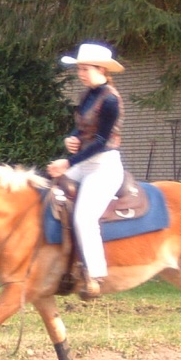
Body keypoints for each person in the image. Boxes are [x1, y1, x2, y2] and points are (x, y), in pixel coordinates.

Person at [46, 42, 126, 299]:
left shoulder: (111, 99)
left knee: (84, 217)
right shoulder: (88, 94)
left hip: (104, 167)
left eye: (84, 69)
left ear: (101, 69)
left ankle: (95, 275)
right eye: (78, 69)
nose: (80, 74)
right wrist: (71, 139)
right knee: (50, 193)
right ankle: (59, 262)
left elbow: (102, 141)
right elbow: (82, 130)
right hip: (84, 163)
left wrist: (68, 163)